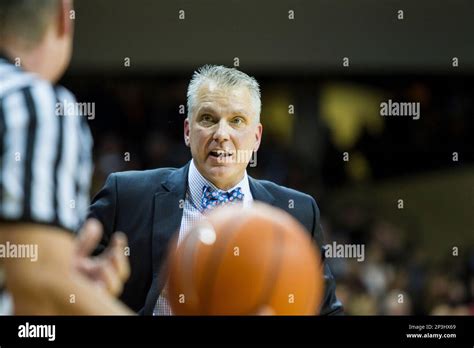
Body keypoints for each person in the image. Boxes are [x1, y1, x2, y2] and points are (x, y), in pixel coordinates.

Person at [89, 65, 343, 315]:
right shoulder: (127, 195)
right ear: (188, 131)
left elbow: (326, 312)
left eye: (237, 121)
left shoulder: (298, 213)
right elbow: (71, 287)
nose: (222, 134)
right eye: (208, 119)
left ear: (257, 137)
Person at [0, 0, 132, 314]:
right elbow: (37, 285)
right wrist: (60, 283)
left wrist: (67, 280)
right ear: (64, 15)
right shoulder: (34, 104)